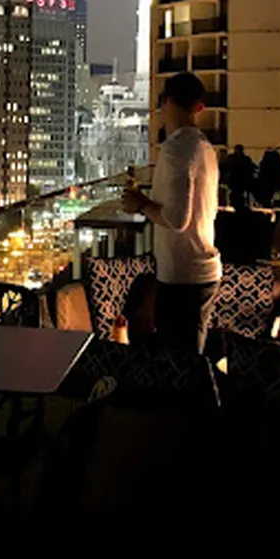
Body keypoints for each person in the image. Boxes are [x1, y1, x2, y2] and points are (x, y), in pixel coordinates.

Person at [122, 71, 222, 353]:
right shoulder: (204, 147)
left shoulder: (177, 148)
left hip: (183, 278)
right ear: (199, 108)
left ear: (165, 102)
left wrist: (140, 204)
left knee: (180, 369)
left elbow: (177, 219)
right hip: (200, 272)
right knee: (189, 361)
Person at [221, 144, 257, 211]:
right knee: (238, 194)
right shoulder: (245, 159)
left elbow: (224, 167)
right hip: (242, 181)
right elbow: (253, 167)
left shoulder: (231, 158)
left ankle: (237, 206)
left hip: (235, 181)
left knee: (235, 194)